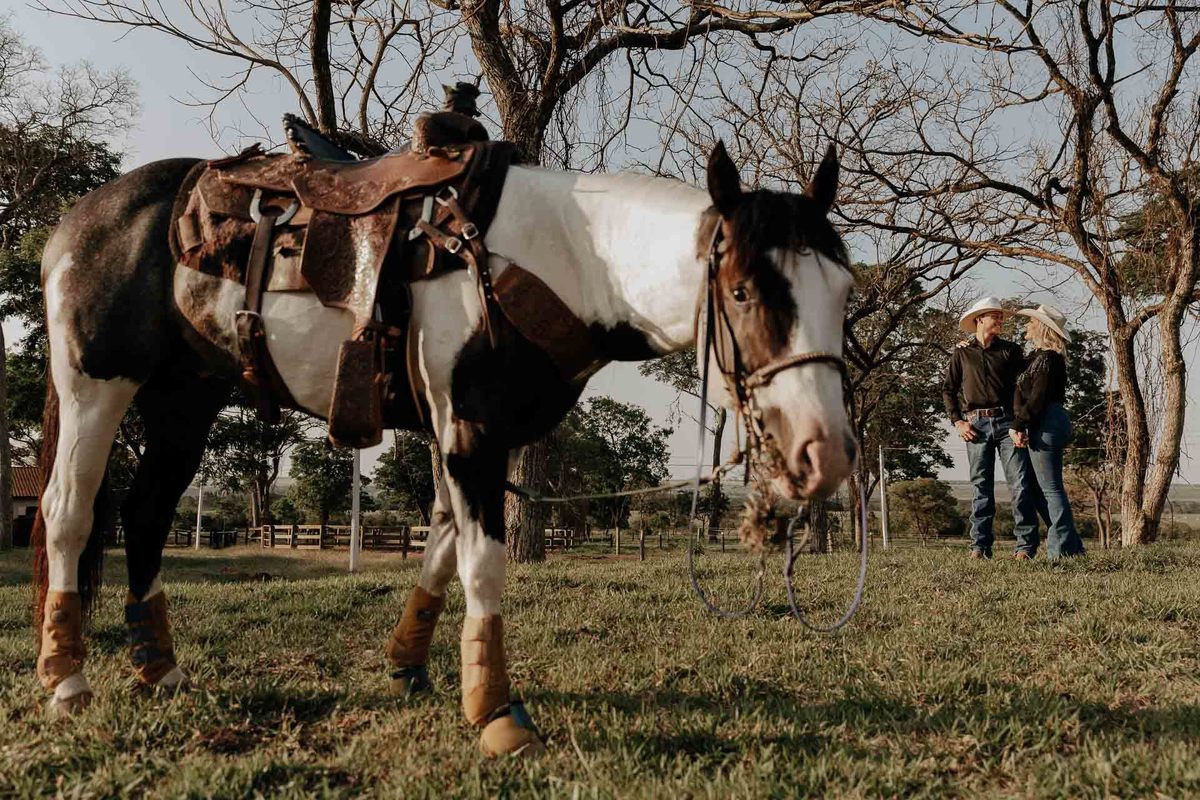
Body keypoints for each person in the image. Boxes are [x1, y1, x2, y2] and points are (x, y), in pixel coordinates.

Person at [943, 297, 1041, 559]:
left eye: (1001, 316)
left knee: (1020, 483)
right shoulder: (961, 353)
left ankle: (1025, 547)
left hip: (1008, 423)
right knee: (980, 486)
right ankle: (980, 547)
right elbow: (948, 390)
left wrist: (1022, 423)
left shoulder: (1011, 350)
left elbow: (1025, 386)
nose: (1000, 320)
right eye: (994, 316)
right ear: (979, 320)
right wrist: (958, 421)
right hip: (975, 425)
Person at [1011, 304, 1085, 559]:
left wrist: (1019, 425)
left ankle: (1060, 550)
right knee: (1035, 486)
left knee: (1051, 488)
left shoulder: (1049, 359)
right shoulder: (1035, 358)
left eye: (1031, 321)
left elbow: (1038, 397)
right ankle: (1072, 547)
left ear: (1040, 327)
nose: (1027, 325)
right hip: (1038, 422)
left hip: (1047, 421)